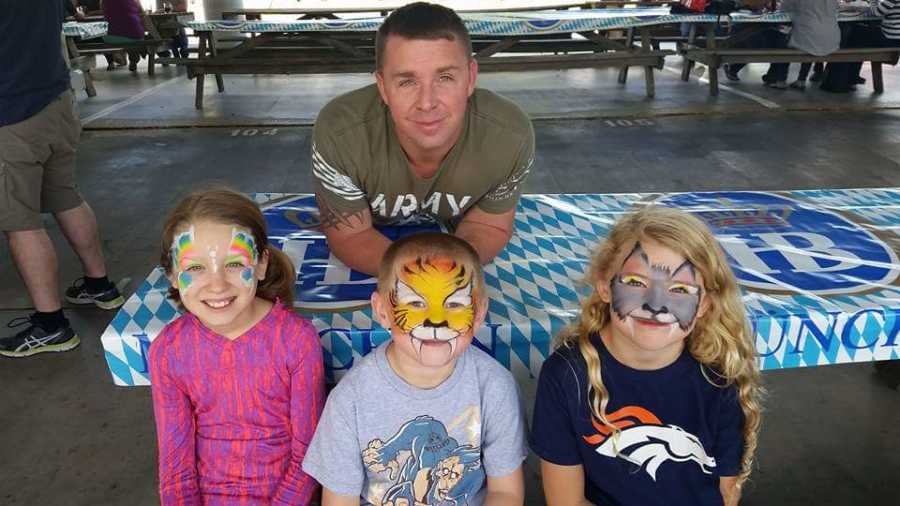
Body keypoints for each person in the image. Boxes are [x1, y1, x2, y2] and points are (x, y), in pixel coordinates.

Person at [531, 206, 764, 506]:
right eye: (636, 283)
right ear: (604, 285)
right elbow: (566, 502)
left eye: (680, 289)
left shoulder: (719, 376)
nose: (656, 305)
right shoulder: (568, 375)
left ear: (704, 304)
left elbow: (725, 492)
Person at [302, 232, 527, 505]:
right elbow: (339, 501)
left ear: (478, 313)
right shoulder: (350, 400)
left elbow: (506, 493)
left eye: (454, 304)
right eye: (416, 303)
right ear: (382, 310)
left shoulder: (494, 387)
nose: (436, 321)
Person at [311, 2, 535, 276]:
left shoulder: (509, 136)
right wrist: (420, 278)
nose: (427, 103)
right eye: (407, 82)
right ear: (382, 87)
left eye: (445, 77)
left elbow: (488, 226)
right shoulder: (340, 133)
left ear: (470, 78)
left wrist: (448, 274)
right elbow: (350, 235)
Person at [149, 188, 325, 505]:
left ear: (260, 264)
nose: (217, 285)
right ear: (173, 275)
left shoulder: (296, 340)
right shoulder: (169, 350)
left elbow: (309, 453)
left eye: (233, 264)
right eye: (195, 268)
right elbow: (175, 465)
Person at [0, 0, 124, 358]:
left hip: (11, 113)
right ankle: (100, 286)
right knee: (64, 195)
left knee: (19, 223)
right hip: (56, 101)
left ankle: (52, 326)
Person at [101, 0, 146, 72]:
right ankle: (134, 58)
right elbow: (142, 14)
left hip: (111, 38)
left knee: (102, 36)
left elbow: (104, 13)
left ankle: (114, 59)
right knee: (135, 37)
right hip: (134, 35)